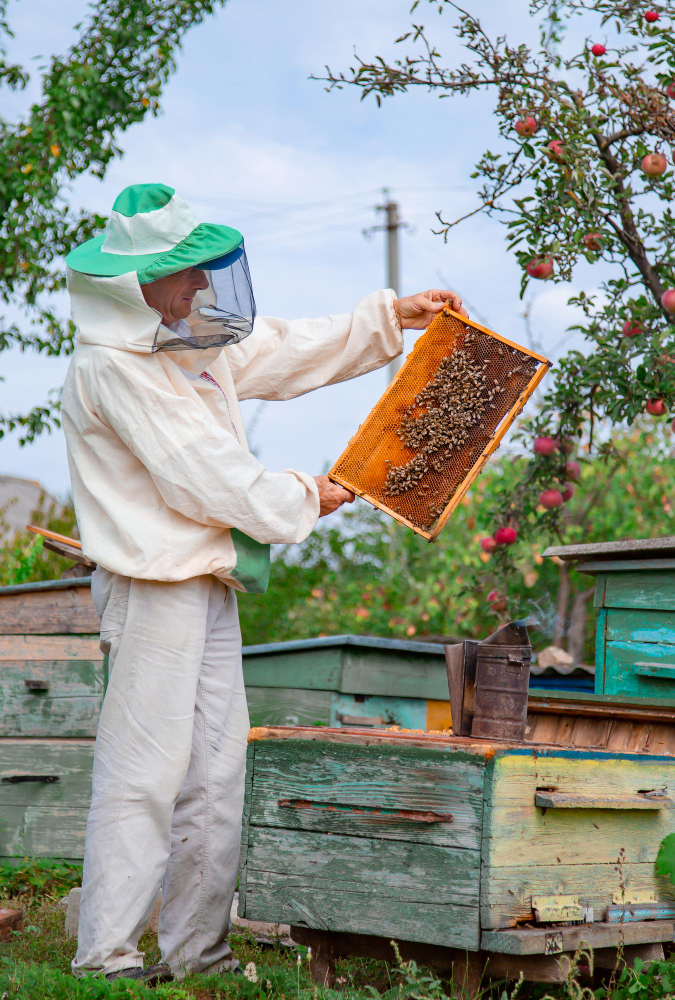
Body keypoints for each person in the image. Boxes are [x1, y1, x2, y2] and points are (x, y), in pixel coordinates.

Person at [61, 183, 467, 984]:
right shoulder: (113, 366)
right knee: (144, 778)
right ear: (133, 280)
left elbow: (281, 348)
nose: (200, 288)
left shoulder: (187, 344)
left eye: (203, 271)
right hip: (151, 589)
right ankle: (104, 959)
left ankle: (195, 955)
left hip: (209, 584)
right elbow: (200, 478)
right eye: (183, 274)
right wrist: (299, 495)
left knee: (216, 777)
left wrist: (390, 319)